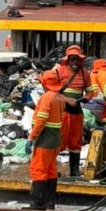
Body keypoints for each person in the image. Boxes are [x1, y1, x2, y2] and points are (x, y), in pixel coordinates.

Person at [43, 44, 91, 178]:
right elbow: (50, 89)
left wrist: (86, 98)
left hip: (77, 112)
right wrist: (67, 99)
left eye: (77, 59)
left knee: (76, 142)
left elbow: (90, 91)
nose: (75, 62)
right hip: (63, 111)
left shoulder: (84, 73)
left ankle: (74, 171)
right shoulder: (59, 71)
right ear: (68, 60)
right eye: (72, 59)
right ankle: (52, 170)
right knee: (60, 140)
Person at [25, 70, 64, 210]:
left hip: (45, 139)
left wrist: (31, 138)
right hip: (55, 139)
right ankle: (50, 202)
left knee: (39, 169)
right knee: (51, 170)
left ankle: (38, 203)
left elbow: (41, 120)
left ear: (44, 83)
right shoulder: (59, 97)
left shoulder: (47, 98)